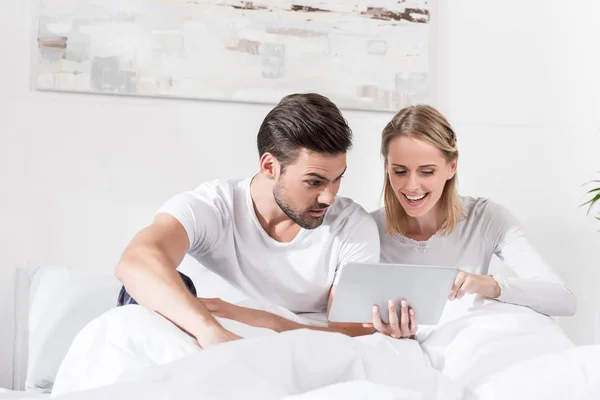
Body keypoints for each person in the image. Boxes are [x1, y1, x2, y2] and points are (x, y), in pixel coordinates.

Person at [114, 93, 380, 349]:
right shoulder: (216, 206)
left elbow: (352, 334)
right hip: (203, 337)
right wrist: (210, 331)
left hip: (296, 351)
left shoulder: (351, 227)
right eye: (314, 182)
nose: (329, 197)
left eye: (338, 178)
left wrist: (263, 320)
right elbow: (136, 262)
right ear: (269, 167)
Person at [365, 104, 577, 339]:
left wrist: (488, 285)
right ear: (386, 168)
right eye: (400, 171)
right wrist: (388, 332)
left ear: (452, 167)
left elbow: (563, 299)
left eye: (426, 172)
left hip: (467, 348)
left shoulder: (485, 218)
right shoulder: (368, 230)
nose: (412, 186)